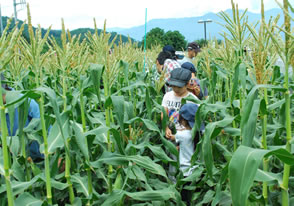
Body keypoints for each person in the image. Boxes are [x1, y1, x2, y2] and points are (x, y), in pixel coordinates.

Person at [166, 103, 203, 205]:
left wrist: (169, 127)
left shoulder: (181, 135)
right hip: (197, 172)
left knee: (184, 200)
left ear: (183, 120)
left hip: (185, 173)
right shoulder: (200, 133)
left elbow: (170, 137)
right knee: (194, 199)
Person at [1, 74, 43, 161]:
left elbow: (45, 128)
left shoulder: (25, 100)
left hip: (38, 159)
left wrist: (54, 156)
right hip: (12, 163)